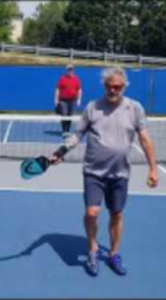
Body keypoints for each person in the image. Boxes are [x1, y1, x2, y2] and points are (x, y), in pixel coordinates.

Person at [51, 67, 158, 277]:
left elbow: (145, 139)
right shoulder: (93, 108)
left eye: (117, 86)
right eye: (109, 86)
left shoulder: (135, 108)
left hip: (120, 173)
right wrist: (61, 151)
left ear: (124, 86)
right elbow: (77, 134)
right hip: (93, 172)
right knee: (92, 212)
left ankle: (114, 254)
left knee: (116, 214)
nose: (113, 89)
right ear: (104, 86)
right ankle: (92, 249)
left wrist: (153, 168)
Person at [55, 63, 82, 138]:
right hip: (63, 100)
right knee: (64, 114)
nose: (70, 71)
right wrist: (56, 100)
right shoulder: (62, 78)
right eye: (68, 69)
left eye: (71, 69)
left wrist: (79, 99)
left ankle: (67, 130)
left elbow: (79, 89)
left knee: (70, 115)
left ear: (73, 70)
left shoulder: (76, 79)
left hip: (72, 100)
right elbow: (57, 89)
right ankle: (64, 130)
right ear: (66, 70)